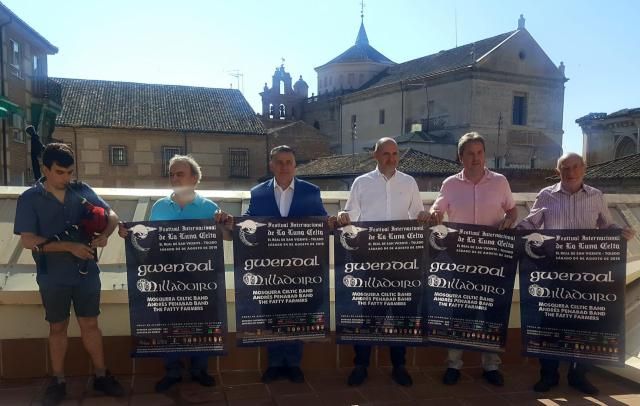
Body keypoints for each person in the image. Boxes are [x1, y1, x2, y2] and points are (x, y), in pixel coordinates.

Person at [14, 143, 124, 405]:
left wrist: (105, 235)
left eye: (70, 172)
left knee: (90, 324)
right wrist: (68, 246)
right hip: (52, 275)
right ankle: (58, 380)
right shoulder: (29, 198)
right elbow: (28, 241)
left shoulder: (81, 190)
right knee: (58, 327)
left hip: (86, 273)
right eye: (60, 172)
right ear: (45, 169)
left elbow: (112, 215)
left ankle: (100, 375)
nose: (66, 178)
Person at [518, 152, 635, 396]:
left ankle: (578, 375)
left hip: (586, 274)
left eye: (574, 167)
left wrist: (620, 232)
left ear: (584, 169)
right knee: (548, 322)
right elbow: (530, 224)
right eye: (565, 168)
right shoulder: (546, 195)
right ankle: (548, 375)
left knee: (584, 324)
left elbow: (606, 226)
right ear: (557, 169)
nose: (570, 172)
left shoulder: (596, 196)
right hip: (553, 273)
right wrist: (509, 231)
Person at [118, 155, 233, 392]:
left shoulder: (210, 208)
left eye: (179, 173)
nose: (174, 177)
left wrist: (226, 225)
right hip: (167, 279)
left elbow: (228, 237)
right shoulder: (159, 206)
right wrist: (128, 234)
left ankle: (200, 369)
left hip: (201, 279)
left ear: (194, 178)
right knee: (168, 323)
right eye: (171, 173)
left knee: (203, 321)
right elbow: (148, 240)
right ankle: (172, 370)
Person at [337, 137, 429, 387]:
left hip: (401, 262)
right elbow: (351, 215)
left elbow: (416, 217)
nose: (391, 158)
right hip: (369, 261)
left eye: (394, 154)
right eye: (386, 154)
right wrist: (343, 216)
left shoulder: (409, 182)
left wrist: (423, 217)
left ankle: (399, 365)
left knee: (401, 313)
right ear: (375, 155)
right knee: (368, 314)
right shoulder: (361, 182)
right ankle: (361, 365)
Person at [428, 132, 517, 387]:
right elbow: (438, 209)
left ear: (484, 155)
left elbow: (512, 208)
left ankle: (491, 366)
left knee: (491, 311)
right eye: (470, 153)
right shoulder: (449, 184)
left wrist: (510, 218)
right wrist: (435, 213)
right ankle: (454, 364)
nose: (476, 158)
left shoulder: (500, 182)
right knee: (460, 311)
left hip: (492, 260)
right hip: (459, 259)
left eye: (479, 153)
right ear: (460, 157)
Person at [245, 145, 332, 384]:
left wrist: (333, 223)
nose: (284, 166)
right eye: (279, 162)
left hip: (302, 268)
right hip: (270, 270)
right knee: (272, 314)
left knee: (298, 315)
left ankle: (293, 364)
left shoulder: (311, 191)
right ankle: (274, 364)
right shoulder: (257, 192)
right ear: (271, 165)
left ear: (295, 165)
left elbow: (322, 223)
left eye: (288, 162)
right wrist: (228, 222)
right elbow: (249, 223)